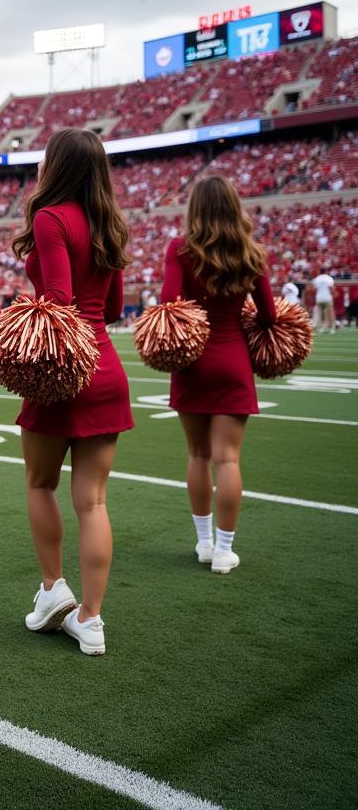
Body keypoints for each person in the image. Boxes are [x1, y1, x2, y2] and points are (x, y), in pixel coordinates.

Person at [11, 128, 133, 656]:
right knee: (94, 501)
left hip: (63, 369)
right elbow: (109, 310)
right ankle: (91, 619)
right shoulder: (108, 223)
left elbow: (59, 300)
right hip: (105, 367)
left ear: (55, 166)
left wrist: (32, 312)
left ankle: (51, 589)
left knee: (40, 485)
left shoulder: (50, 217)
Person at [159, 175, 277, 575]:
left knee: (197, 454)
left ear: (195, 210)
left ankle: (204, 543)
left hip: (193, 362)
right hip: (233, 360)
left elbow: (169, 303)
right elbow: (270, 316)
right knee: (228, 459)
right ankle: (225, 551)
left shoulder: (180, 249)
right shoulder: (252, 253)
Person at [312, 268, 335, 332]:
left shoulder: (317, 278)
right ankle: (331, 328)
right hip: (327, 297)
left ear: (320, 271)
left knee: (320, 313)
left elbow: (314, 290)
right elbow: (331, 289)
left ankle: (320, 327)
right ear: (326, 271)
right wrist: (333, 294)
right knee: (330, 313)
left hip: (319, 298)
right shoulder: (329, 278)